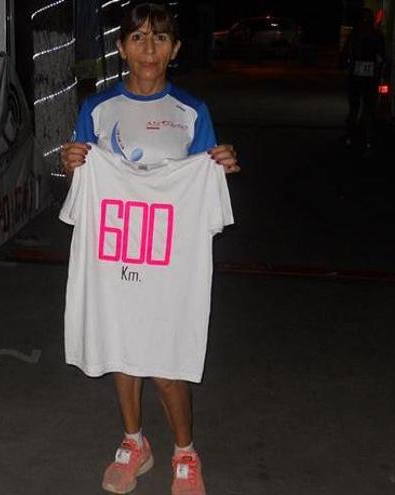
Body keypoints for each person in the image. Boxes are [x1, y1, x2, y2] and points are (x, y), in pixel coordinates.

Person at [59, 4, 238, 495]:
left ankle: (185, 451)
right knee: (122, 351)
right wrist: (73, 164)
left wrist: (219, 166)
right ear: (122, 48)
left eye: (160, 39)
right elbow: (82, 191)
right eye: (138, 38)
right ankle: (135, 442)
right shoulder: (96, 110)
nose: (148, 50)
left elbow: (204, 182)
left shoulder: (191, 112)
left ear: (175, 49)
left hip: (167, 260)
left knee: (165, 363)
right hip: (113, 256)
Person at [341, 8, 386, 149]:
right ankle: (367, 141)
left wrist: (345, 65)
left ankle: (350, 138)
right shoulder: (375, 34)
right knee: (367, 109)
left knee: (355, 108)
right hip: (369, 78)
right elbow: (383, 56)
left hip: (357, 77)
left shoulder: (356, 34)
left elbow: (346, 54)